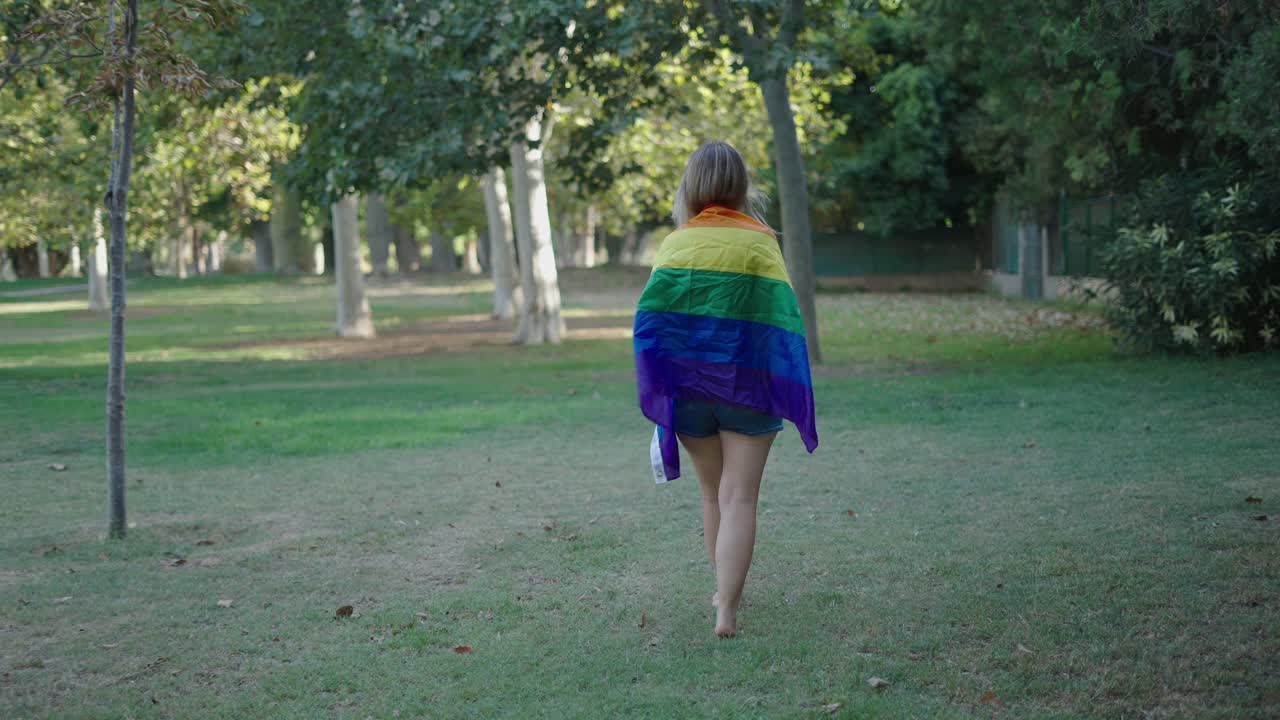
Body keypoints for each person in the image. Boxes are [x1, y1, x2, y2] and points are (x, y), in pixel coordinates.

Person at [633, 141, 818, 638]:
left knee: (712, 495)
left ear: (689, 187)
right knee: (740, 497)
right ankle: (726, 611)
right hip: (747, 389)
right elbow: (780, 320)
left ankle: (721, 593)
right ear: (742, 187)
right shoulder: (760, 242)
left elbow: (652, 324)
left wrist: (663, 387)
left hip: (691, 391)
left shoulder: (675, 245)